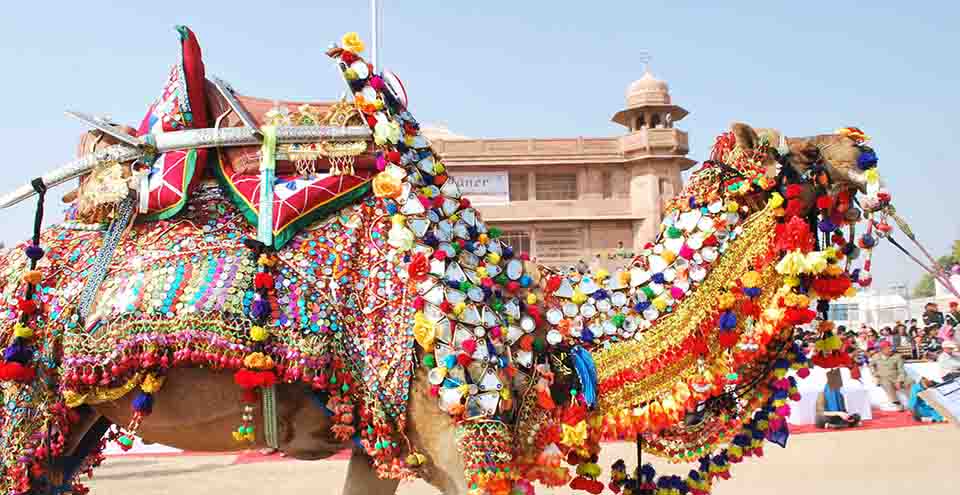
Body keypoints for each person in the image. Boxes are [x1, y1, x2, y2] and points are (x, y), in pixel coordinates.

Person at [870, 341, 906, 410]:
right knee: (886, 383)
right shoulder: (876, 356)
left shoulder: (897, 356)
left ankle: (915, 402)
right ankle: (896, 402)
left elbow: (901, 370)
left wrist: (899, 380)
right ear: (882, 349)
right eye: (888, 348)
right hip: (883, 378)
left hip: (896, 377)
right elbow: (871, 366)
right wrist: (875, 375)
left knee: (910, 382)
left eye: (891, 348)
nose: (891, 350)